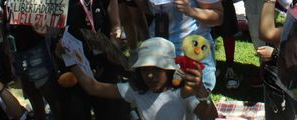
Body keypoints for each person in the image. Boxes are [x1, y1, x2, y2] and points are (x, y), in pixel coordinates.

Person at [71, 37, 217, 120]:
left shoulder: (183, 92)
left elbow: (210, 117)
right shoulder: (135, 90)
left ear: (170, 69)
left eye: (156, 69)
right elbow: (92, 87)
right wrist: (69, 58)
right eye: (145, 70)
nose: (150, 75)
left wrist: (202, 92)